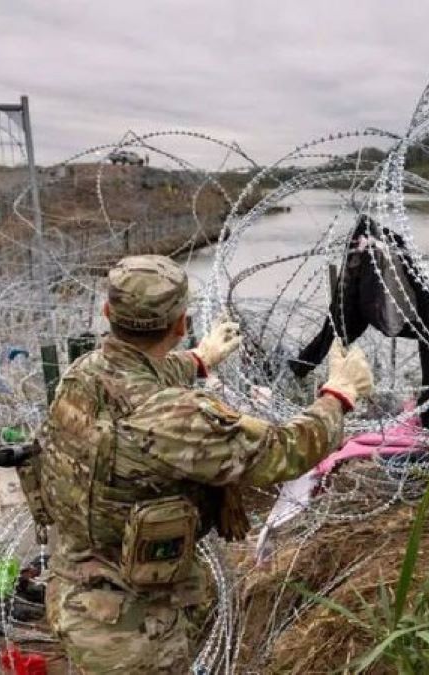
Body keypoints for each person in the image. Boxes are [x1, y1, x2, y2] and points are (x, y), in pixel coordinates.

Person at [30, 254, 373, 673]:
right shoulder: (178, 418)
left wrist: (198, 359)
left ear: (108, 313)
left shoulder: (82, 375)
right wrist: (339, 395)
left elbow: (136, 378)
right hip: (135, 627)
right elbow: (284, 450)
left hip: (75, 590)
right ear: (180, 324)